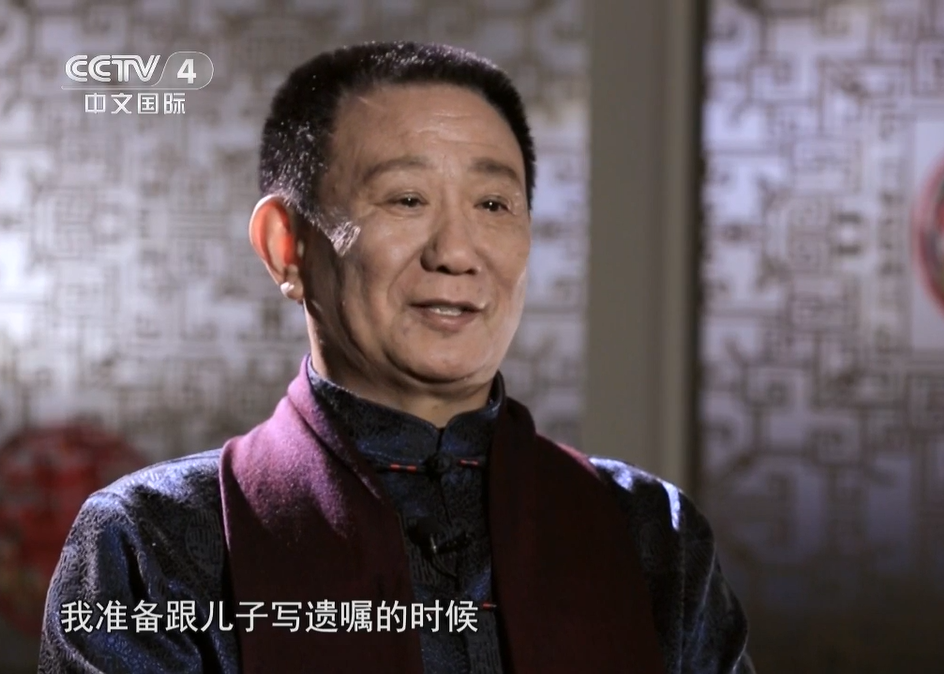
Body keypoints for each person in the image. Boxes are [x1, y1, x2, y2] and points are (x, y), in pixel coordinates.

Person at [38, 41, 754, 674]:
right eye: (407, 199)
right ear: (287, 247)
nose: (457, 253)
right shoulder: (152, 543)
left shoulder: (649, 533)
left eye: (494, 205)